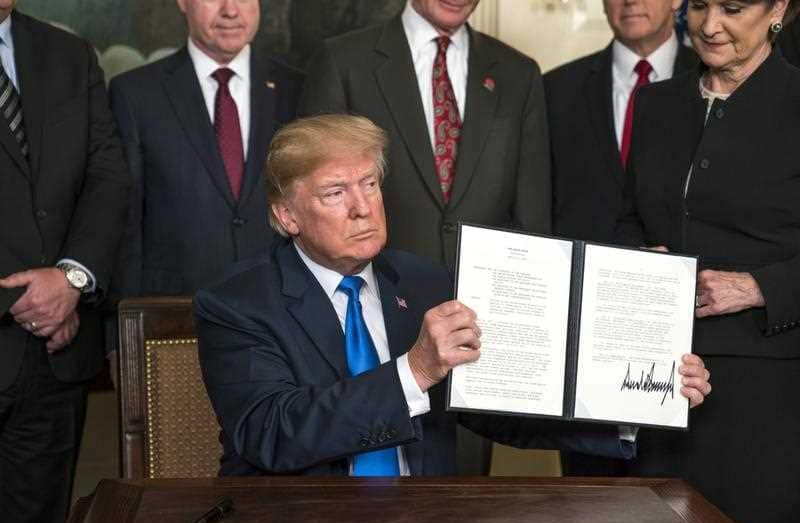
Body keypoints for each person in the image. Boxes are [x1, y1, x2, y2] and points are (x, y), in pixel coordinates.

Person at [194, 114, 711, 477]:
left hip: (425, 515)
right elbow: (272, 433)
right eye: (335, 193)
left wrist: (635, 396)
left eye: (370, 185)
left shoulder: (426, 284)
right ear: (287, 216)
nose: (362, 208)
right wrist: (413, 371)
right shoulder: (237, 303)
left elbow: (499, 403)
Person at [298, 0, 550, 474]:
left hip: (480, 332)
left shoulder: (519, 73)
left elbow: (532, 222)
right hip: (366, 318)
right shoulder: (343, 61)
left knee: (462, 496)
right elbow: (313, 199)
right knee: (357, 482)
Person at [616, 0, 800, 523]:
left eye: (734, 8)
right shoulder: (656, 103)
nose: (710, 25)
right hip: (656, 384)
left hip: (769, 393)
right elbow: (630, 220)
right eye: (699, 6)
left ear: (778, 9)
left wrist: (759, 287)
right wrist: (634, 262)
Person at [547, 0, 698, 477]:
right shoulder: (554, 88)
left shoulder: (721, 79)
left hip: (694, 344)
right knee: (588, 502)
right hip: (582, 342)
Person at [0, 4, 130, 523]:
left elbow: (106, 175)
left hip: (53, 360)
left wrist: (70, 281)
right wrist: (28, 300)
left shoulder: (69, 53)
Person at [108, 0, 303, 308]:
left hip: (284, 310)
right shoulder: (135, 94)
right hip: (174, 313)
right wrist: (122, 332)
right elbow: (125, 222)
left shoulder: (298, 89)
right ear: (183, 3)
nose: (230, 10)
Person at [548, 0, 698, 244]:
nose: (631, 1)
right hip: (575, 272)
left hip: (684, 274)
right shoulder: (555, 91)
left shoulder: (713, 84)